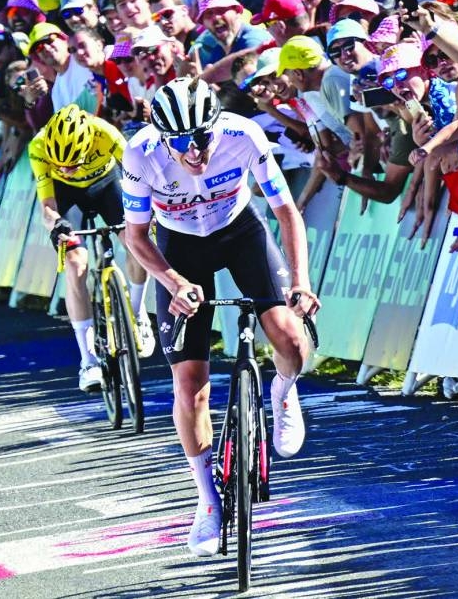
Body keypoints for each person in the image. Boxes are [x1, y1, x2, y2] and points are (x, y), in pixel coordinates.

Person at [121, 77, 320, 557]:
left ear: (215, 125)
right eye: (181, 144)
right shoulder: (139, 154)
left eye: (201, 138)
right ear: (161, 135)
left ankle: (283, 392)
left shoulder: (243, 134)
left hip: (239, 232)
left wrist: (301, 281)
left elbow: (287, 211)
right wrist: (173, 283)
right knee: (190, 386)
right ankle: (206, 501)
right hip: (178, 248)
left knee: (290, 338)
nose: (194, 152)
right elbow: (137, 237)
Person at [30, 105, 156, 392]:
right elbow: (48, 208)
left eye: (72, 162)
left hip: (106, 184)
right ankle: (88, 361)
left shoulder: (105, 133)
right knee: (76, 264)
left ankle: (136, 315)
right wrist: (58, 225)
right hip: (66, 196)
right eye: (59, 164)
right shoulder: (38, 146)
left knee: (138, 242)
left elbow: (139, 176)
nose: (65, 169)